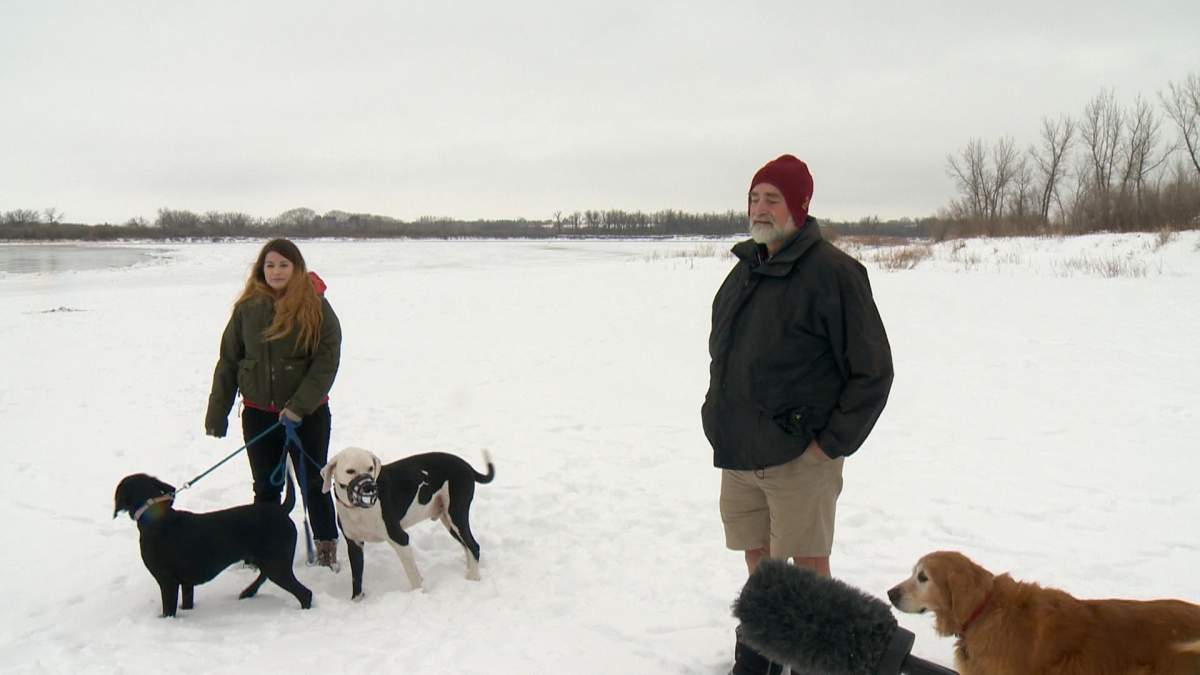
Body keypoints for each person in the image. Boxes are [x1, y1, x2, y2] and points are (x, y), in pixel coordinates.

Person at [701, 155, 893, 674]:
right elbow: (724, 353)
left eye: (773, 199)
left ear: (799, 207)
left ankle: (813, 661)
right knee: (757, 556)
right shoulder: (745, 270)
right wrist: (714, 413)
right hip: (740, 450)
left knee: (807, 566)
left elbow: (872, 371)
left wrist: (828, 444)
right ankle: (761, 650)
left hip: (800, 457)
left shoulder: (834, 274)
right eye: (754, 197)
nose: (760, 208)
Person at [205, 238, 342, 569]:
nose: (276, 271)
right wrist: (217, 412)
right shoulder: (247, 308)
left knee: (314, 481)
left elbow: (326, 361)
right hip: (257, 413)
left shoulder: (316, 305)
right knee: (265, 485)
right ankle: (263, 544)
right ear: (260, 269)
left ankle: (326, 542)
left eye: (283, 264)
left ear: (296, 268)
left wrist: (298, 406)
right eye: (270, 265)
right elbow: (229, 360)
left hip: (307, 414)